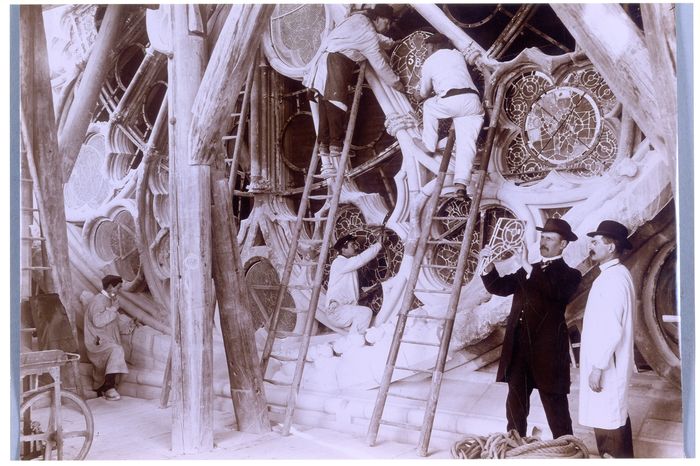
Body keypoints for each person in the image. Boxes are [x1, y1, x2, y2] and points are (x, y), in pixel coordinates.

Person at [479, 218, 582, 438]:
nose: (543, 242)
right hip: (519, 352)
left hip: (548, 355)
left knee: (557, 413)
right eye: (542, 237)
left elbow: (553, 293)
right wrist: (488, 267)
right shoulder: (531, 269)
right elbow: (500, 287)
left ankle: (568, 451)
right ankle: (514, 449)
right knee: (515, 410)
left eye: (549, 238)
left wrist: (526, 265)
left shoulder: (571, 274)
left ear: (563, 244)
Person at [303, 5, 405, 177]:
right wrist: (398, 84)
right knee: (335, 106)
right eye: (387, 22)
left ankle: (325, 150)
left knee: (325, 106)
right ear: (377, 18)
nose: (388, 27)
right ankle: (336, 148)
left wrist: (389, 43)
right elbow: (379, 64)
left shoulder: (357, 20)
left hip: (322, 63)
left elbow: (372, 38)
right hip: (336, 63)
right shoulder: (367, 31)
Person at [579, 220, 636, 458]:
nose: (590, 246)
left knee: (610, 426)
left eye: (595, 242)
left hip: (606, 367)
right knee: (611, 419)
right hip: (606, 365)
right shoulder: (612, 275)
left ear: (611, 247)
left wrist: (598, 367)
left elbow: (613, 330)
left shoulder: (614, 279)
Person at [413, 33, 484, 199]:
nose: (427, 51)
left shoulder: (429, 62)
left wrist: (418, 95)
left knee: (429, 105)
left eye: (427, 49)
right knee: (466, 143)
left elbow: (423, 93)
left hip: (451, 101)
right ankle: (461, 184)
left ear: (431, 47)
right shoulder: (457, 55)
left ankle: (429, 145)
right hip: (472, 101)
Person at [84, 275, 129, 401]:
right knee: (116, 350)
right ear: (110, 287)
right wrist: (114, 309)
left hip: (106, 339)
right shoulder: (98, 300)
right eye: (118, 287)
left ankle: (102, 388)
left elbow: (112, 319)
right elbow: (98, 321)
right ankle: (109, 388)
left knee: (115, 352)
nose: (119, 290)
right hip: (97, 341)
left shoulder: (109, 299)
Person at [325, 234, 382, 334]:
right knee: (365, 313)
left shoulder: (346, 265)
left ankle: (353, 343)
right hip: (336, 311)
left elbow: (347, 288)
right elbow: (361, 259)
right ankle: (354, 343)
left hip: (342, 309)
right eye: (352, 245)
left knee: (361, 319)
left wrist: (367, 290)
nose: (356, 247)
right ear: (343, 249)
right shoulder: (339, 262)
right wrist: (378, 245)